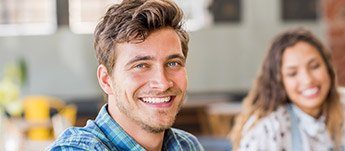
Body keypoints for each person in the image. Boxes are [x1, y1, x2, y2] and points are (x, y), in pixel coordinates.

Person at [48, 0, 204, 150]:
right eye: (141, 66)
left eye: (173, 63)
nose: (162, 83)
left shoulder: (187, 145)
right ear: (106, 80)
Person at [230, 28, 345, 151]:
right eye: (292, 73)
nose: (308, 80)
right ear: (279, 81)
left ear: (328, 67)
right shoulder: (268, 129)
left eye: (314, 66)